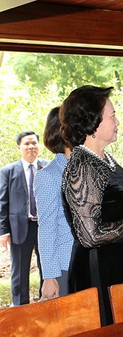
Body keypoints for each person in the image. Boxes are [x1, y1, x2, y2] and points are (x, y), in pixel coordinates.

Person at [59, 85, 123, 325]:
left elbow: (111, 204)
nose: (118, 121)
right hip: (100, 268)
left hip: (121, 260)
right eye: (112, 116)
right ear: (93, 123)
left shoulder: (103, 159)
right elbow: (89, 235)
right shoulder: (83, 165)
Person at [0, 131, 47, 306]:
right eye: (27, 144)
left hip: (44, 227)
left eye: (34, 143)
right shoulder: (7, 171)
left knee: (48, 269)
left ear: (39, 146)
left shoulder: (47, 168)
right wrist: (3, 231)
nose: (31, 147)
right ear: (19, 147)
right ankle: (20, 307)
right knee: (19, 271)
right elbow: (2, 203)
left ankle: (47, 303)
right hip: (19, 227)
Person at [33, 107, 74, 300]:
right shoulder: (48, 176)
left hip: (88, 261)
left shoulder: (84, 167)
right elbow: (46, 228)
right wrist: (49, 277)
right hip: (64, 267)